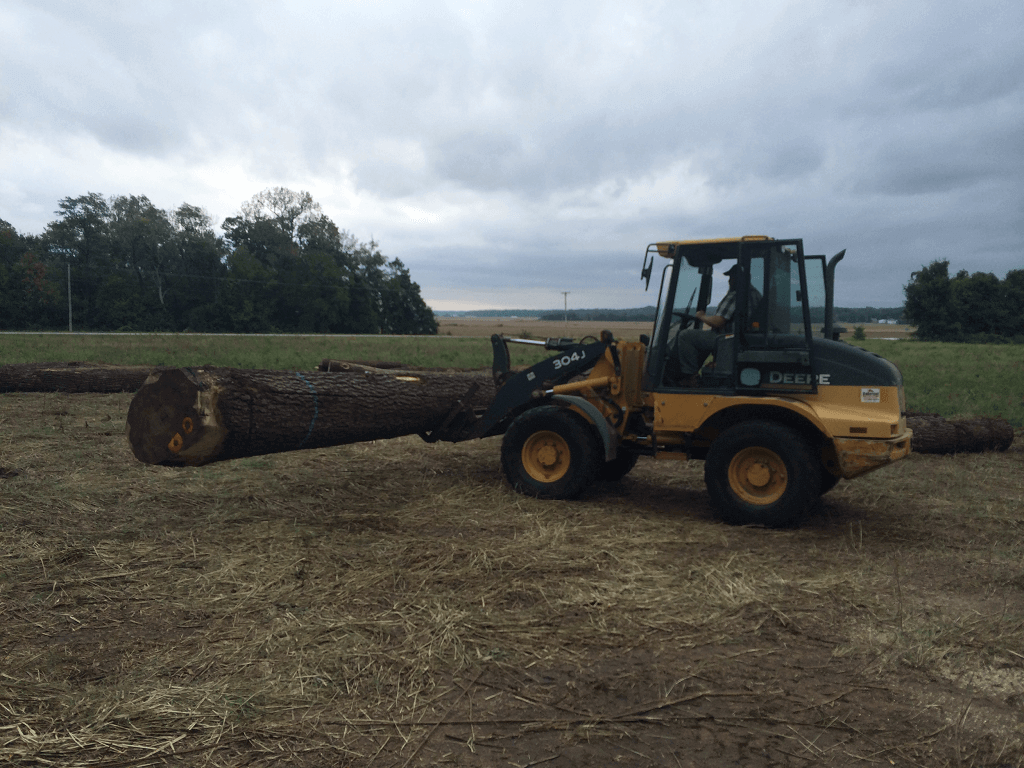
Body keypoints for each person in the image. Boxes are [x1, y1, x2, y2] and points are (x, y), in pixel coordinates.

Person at [668, 264, 760, 385]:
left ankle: (691, 377)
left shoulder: (737, 295)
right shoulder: (756, 294)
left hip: (728, 340)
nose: (729, 281)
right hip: (741, 339)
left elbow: (718, 322)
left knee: (685, 336)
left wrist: (701, 316)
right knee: (701, 339)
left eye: (731, 277)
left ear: (738, 279)